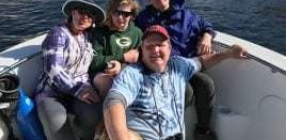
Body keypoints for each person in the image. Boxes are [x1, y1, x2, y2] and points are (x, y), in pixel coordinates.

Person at [104, 25, 248, 140]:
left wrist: (228, 54)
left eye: (160, 45)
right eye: (149, 46)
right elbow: (114, 102)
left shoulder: (179, 65)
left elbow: (202, 61)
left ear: (170, 48)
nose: (155, 50)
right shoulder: (133, 73)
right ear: (142, 50)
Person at [135, 0, 217, 140]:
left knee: (207, 84)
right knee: (186, 91)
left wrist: (207, 37)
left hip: (186, 66)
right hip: (160, 69)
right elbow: (129, 29)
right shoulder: (145, 18)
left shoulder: (187, 16)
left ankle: (202, 130)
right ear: (149, 0)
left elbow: (206, 25)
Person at [34, 0, 106, 140]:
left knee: (95, 115)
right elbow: (53, 68)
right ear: (73, 13)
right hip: (52, 92)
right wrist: (77, 90)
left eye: (90, 15)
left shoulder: (88, 37)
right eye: (81, 12)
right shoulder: (57, 33)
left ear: (92, 21)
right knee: (57, 123)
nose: (85, 17)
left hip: (82, 88)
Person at [89, 0, 142, 140]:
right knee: (109, 82)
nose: (121, 18)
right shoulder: (101, 33)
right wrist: (122, 58)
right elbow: (94, 62)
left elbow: (141, 60)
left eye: (126, 14)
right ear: (111, 13)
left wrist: (123, 66)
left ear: (132, 15)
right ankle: (107, 126)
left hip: (126, 74)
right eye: (117, 13)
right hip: (102, 74)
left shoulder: (137, 33)